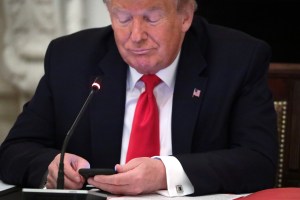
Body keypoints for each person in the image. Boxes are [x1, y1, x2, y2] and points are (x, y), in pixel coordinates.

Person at [0, 0, 278, 197]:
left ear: (185, 17)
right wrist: (51, 166)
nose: (136, 35)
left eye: (151, 18)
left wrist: (164, 173)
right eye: (122, 18)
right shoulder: (70, 58)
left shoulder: (238, 59)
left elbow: (259, 162)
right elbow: (14, 151)